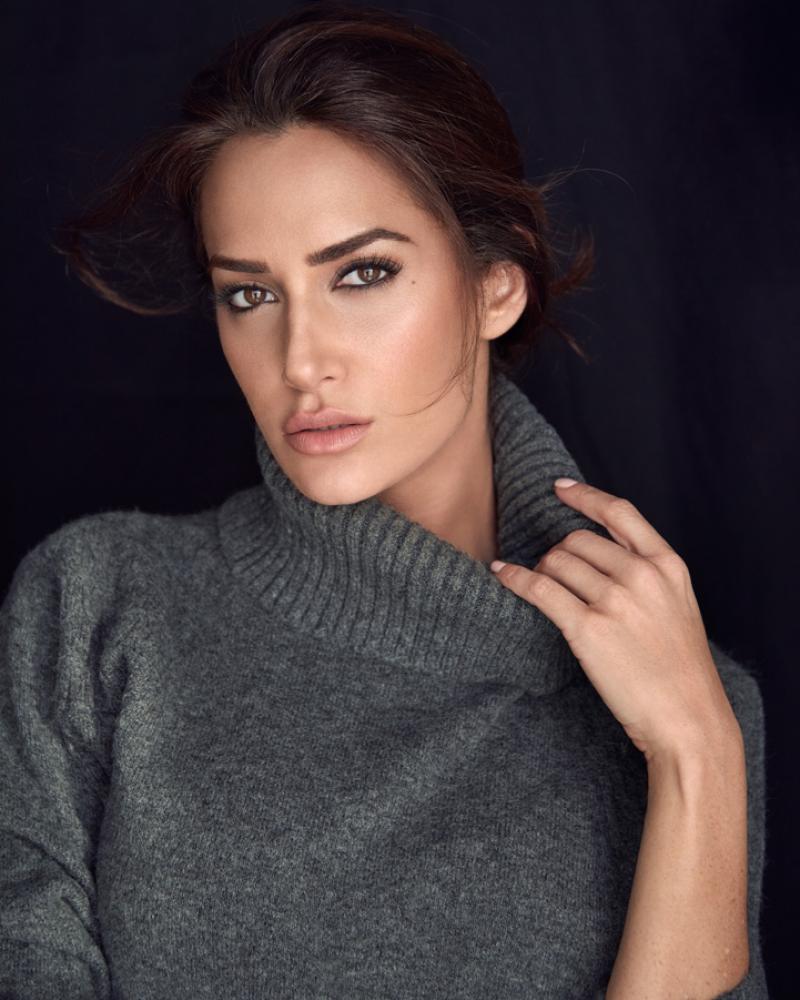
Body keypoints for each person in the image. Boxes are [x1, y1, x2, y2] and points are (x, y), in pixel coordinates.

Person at [0, 2, 767, 997]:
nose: (300, 359)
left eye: (362, 273)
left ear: (495, 286)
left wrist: (695, 754)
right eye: (249, 294)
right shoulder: (96, 608)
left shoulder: (682, 699)